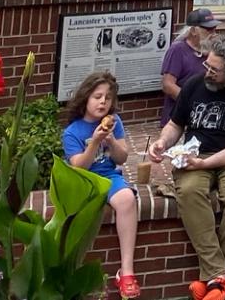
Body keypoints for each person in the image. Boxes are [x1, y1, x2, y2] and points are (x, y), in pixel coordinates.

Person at [149, 32, 225, 299]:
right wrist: (162, 143)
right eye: (207, 65)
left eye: (215, 69)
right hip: (193, 153)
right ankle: (219, 276)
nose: (208, 72)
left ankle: (213, 277)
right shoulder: (193, 84)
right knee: (189, 192)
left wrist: (206, 163)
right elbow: (176, 124)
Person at [61, 72, 140, 297]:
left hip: (108, 176)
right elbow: (78, 168)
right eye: (97, 96)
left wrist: (111, 141)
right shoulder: (72, 132)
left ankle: (126, 271)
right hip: (84, 181)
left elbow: (122, 158)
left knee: (126, 199)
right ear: (86, 98)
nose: (103, 102)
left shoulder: (115, 123)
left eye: (107, 97)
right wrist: (94, 142)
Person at [161, 8, 219, 124]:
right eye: (208, 30)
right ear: (193, 31)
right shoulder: (178, 50)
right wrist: (192, 103)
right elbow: (167, 85)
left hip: (205, 117)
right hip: (180, 118)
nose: (213, 34)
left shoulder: (212, 50)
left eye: (214, 29)